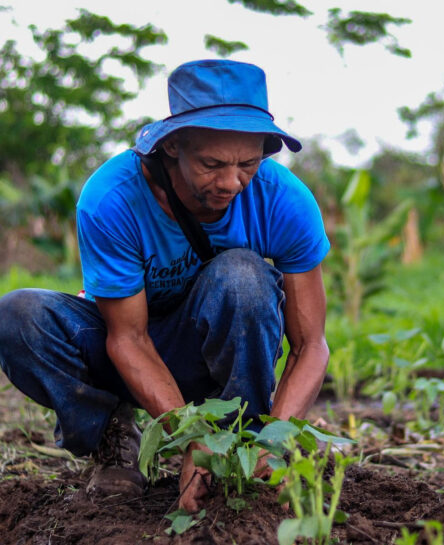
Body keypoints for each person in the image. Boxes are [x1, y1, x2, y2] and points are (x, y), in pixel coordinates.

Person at [0, 59, 331, 512]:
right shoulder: (113, 197)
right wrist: (189, 437)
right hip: (126, 348)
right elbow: (128, 338)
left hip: (207, 348)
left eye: (248, 163)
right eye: (212, 164)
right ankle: (113, 437)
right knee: (19, 317)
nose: (232, 182)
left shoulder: (284, 200)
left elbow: (311, 344)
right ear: (173, 146)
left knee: (243, 276)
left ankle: (243, 441)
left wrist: (277, 440)